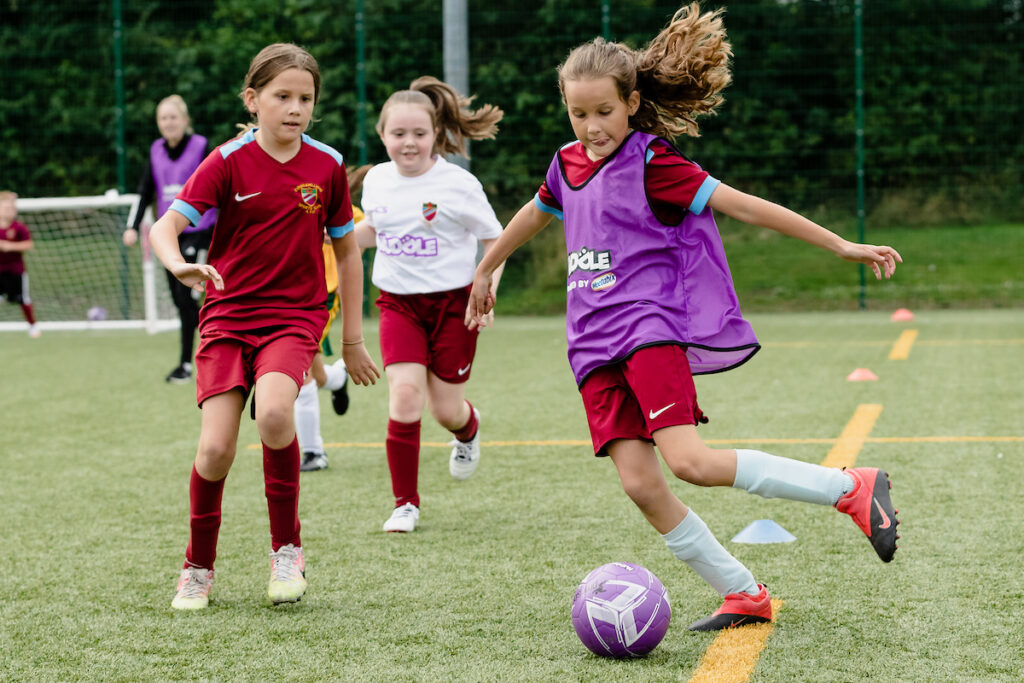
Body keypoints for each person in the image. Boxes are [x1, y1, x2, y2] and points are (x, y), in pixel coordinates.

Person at [467, 3, 902, 631]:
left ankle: (850, 488)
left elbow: (743, 205)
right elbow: (535, 214)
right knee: (642, 485)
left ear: (633, 101)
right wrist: (487, 268)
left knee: (690, 463)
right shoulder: (564, 165)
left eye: (604, 112)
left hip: (648, 330)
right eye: (578, 114)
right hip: (589, 347)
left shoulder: (654, 164)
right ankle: (743, 591)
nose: (591, 127)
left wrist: (840, 243)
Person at [149, 43, 380, 611]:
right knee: (215, 451)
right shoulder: (227, 160)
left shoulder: (326, 166)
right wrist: (178, 263)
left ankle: (287, 551)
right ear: (253, 101)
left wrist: (350, 340)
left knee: (277, 411)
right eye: (282, 96)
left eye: (306, 98)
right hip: (228, 315)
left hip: (293, 316)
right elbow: (166, 225)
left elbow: (347, 256)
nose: (295, 108)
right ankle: (197, 568)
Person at [355, 76, 505, 533]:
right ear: (382, 135)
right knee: (404, 395)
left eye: (419, 133)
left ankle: (468, 428)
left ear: (436, 134)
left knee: (445, 410)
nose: (408, 143)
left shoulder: (458, 185)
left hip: (454, 307)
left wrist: (487, 288)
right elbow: (372, 233)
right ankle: (405, 503)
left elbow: (494, 239)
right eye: (398, 134)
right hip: (398, 305)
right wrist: (337, 240)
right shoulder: (376, 181)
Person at [124, 95, 218, 383]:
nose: (169, 122)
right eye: (163, 118)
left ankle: (199, 362)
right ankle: (189, 364)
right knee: (181, 302)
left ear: (185, 120)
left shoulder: (203, 147)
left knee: (194, 298)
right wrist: (133, 225)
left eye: (173, 117)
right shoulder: (156, 151)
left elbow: (220, 186)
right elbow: (145, 191)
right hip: (171, 238)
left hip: (202, 233)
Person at [294, 164, 373, 473]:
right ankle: (339, 378)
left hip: (322, 299)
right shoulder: (289, 202)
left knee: (302, 375)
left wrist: (343, 276)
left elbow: (360, 242)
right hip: (288, 298)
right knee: (317, 376)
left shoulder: (348, 213)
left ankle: (313, 452)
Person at [0, 191, 40, 338]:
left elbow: (29, 245)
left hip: (15, 271)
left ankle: (33, 326)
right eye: (6, 208)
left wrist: (9, 246)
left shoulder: (19, 227)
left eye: (12, 208)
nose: (10, 211)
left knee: (22, 300)